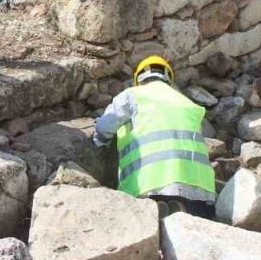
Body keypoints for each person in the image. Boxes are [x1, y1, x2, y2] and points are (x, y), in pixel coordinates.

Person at [92, 55, 216, 215]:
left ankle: (164, 212)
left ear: (139, 79)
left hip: (151, 185)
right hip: (201, 192)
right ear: (169, 80)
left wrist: (100, 140)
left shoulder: (133, 95)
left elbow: (104, 126)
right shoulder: (189, 104)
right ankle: (177, 211)